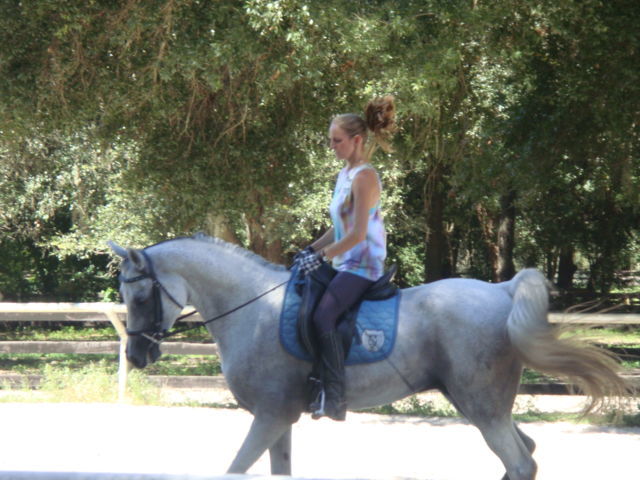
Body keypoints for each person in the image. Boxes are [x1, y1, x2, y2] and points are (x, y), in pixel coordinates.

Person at [295, 96, 397, 421]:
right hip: (344, 263)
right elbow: (338, 226)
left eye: (337, 141)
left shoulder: (365, 177)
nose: (332, 146)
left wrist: (322, 257)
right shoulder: (345, 174)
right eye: (331, 140)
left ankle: (335, 396)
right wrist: (311, 250)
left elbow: (356, 234)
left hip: (363, 264)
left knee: (323, 315)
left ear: (357, 140)